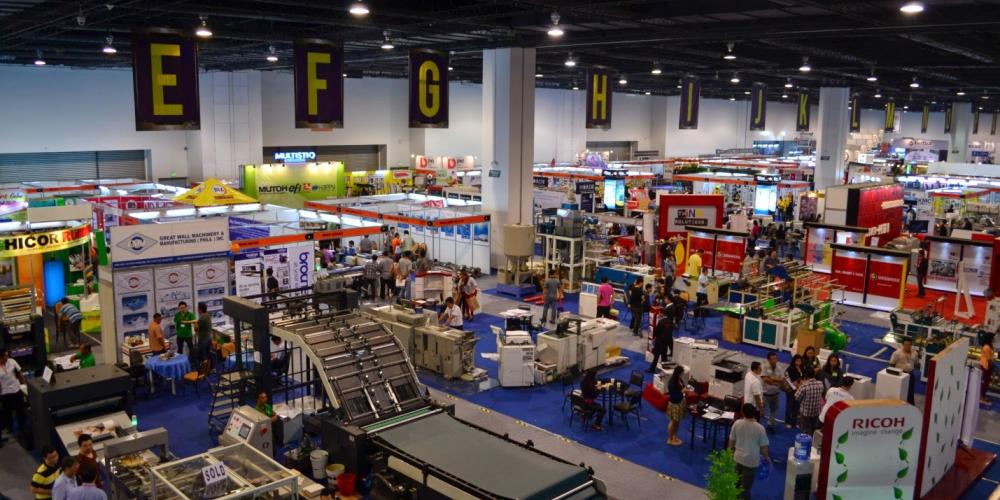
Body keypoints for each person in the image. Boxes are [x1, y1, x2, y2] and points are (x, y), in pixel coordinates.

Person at [729, 403, 770, 500]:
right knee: (746, 487)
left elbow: (731, 442)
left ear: (743, 413)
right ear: (754, 413)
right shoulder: (760, 428)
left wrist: (730, 453)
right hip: (751, 461)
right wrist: (766, 457)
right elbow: (764, 447)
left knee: (735, 482)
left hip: (738, 458)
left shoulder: (737, 423)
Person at [0, 347, 26, 445]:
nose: (7, 357)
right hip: (5, 393)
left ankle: (22, 427)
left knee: (20, 410)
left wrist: (23, 385)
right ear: (1, 357)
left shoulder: (12, 361)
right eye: (5, 355)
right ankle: (10, 428)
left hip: (16, 389)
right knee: (7, 412)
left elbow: (20, 374)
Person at [795, 367, 824, 437]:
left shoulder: (804, 386)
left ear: (805, 375)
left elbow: (796, 397)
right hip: (816, 412)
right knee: (813, 429)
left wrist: (798, 387)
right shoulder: (820, 384)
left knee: (804, 431)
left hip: (805, 413)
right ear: (814, 374)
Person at [889, 338, 918, 404]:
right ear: (903, 345)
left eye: (909, 345)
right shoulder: (897, 353)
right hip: (900, 374)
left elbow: (916, 363)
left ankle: (910, 405)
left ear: (911, 345)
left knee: (910, 390)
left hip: (910, 374)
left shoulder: (915, 353)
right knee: (899, 390)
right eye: (905, 344)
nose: (907, 346)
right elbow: (892, 364)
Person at [762, 352, 784, 433]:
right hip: (765, 394)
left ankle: (771, 425)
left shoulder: (779, 367)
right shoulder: (764, 366)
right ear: (768, 360)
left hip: (776, 394)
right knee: (761, 409)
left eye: (775, 358)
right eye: (772, 359)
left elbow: (782, 380)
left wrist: (771, 378)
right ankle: (757, 426)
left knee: (774, 410)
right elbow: (765, 379)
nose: (774, 360)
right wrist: (776, 381)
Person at [666, 365, 686, 446]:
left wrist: (684, 390)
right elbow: (674, 395)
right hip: (674, 404)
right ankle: (670, 439)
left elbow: (682, 387)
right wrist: (682, 392)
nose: (683, 375)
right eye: (682, 373)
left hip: (679, 403)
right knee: (673, 422)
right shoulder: (672, 382)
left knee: (677, 422)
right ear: (679, 373)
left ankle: (674, 437)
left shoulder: (679, 379)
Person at [784, 354, 804, 430]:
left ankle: (794, 421)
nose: (799, 362)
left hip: (798, 390)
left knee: (796, 406)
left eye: (800, 361)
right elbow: (793, 380)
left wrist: (800, 372)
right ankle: (788, 422)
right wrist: (799, 383)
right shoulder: (790, 368)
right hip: (791, 390)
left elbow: (802, 377)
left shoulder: (801, 368)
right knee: (789, 406)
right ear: (794, 361)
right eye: (797, 360)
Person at [981, 332, 995, 404]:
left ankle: (983, 395)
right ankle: (982, 397)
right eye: (993, 338)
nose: (994, 339)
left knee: (986, 382)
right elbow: (989, 359)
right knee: (985, 382)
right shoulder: (987, 347)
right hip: (986, 366)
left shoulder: (989, 346)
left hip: (988, 365)